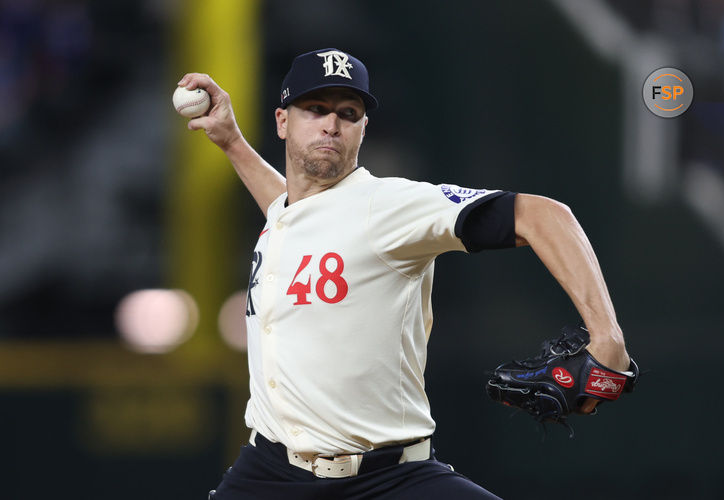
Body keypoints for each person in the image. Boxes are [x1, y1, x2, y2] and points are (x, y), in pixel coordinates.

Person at [177, 48, 631, 500]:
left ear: (363, 129)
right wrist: (232, 142)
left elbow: (546, 216)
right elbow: (302, 215)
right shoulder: (287, 215)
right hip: (270, 474)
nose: (331, 124)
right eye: (315, 108)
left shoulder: (389, 205)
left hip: (389, 479)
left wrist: (607, 335)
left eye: (348, 113)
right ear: (281, 121)